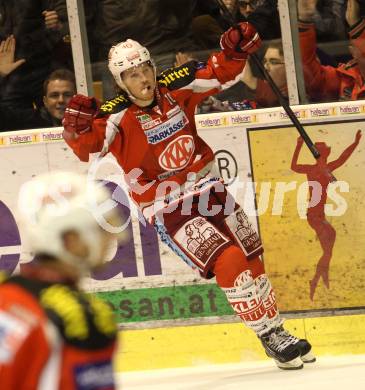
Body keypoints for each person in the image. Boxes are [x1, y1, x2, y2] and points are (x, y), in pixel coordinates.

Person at [62, 22, 315, 370]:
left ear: (153, 67)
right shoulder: (115, 116)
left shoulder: (177, 85)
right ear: (120, 82)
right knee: (228, 261)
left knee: (252, 255)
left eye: (145, 69)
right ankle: (269, 337)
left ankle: (278, 332)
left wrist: (235, 50)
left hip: (209, 188)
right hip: (166, 204)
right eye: (131, 75)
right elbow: (86, 147)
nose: (143, 79)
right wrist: (74, 127)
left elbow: (220, 73)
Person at [0, 171, 121, 389]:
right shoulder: (82, 317)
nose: (109, 238)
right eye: (99, 229)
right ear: (70, 240)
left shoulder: (5, 295)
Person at [291, 131, 362, 300]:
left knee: (328, 251)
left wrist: (355, 142)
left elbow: (344, 157)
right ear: (325, 153)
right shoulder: (315, 169)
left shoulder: (325, 168)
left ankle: (319, 278)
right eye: (327, 151)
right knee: (329, 246)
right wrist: (299, 145)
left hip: (318, 215)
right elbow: (293, 167)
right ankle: (318, 279)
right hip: (314, 216)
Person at [298, 0, 365, 101]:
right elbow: (310, 79)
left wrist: (356, 26)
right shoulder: (348, 78)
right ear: (352, 50)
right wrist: (304, 20)